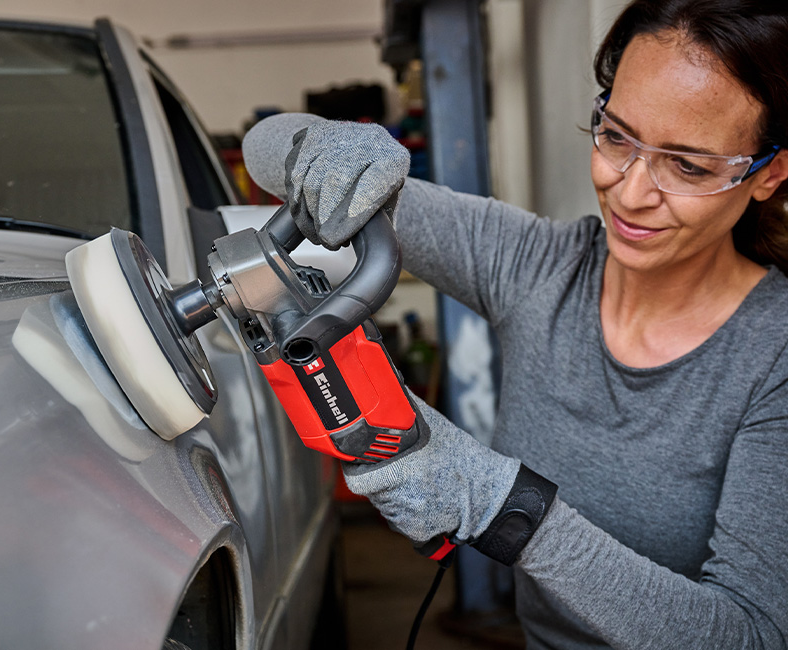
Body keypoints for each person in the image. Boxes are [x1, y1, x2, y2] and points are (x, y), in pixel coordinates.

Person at [245, 0, 788, 647]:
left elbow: (748, 635)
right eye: (616, 136)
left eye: (688, 166)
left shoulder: (774, 354)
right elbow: (266, 146)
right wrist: (330, 150)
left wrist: (502, 507)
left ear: (769, 174)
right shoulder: (535, 266)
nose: (632, 190)